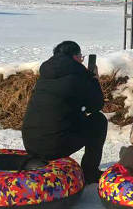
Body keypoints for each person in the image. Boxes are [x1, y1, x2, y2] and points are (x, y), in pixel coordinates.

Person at [22, 40, 107, 184]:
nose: (81, 60)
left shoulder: (45, 74)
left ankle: (41, 155)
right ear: (75, 57)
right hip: (54, 147)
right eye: (81, 57)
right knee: (99, 121)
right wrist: (94, 80)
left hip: (30, 143)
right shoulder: (78, 75)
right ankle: (90, 173)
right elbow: (96, 106)